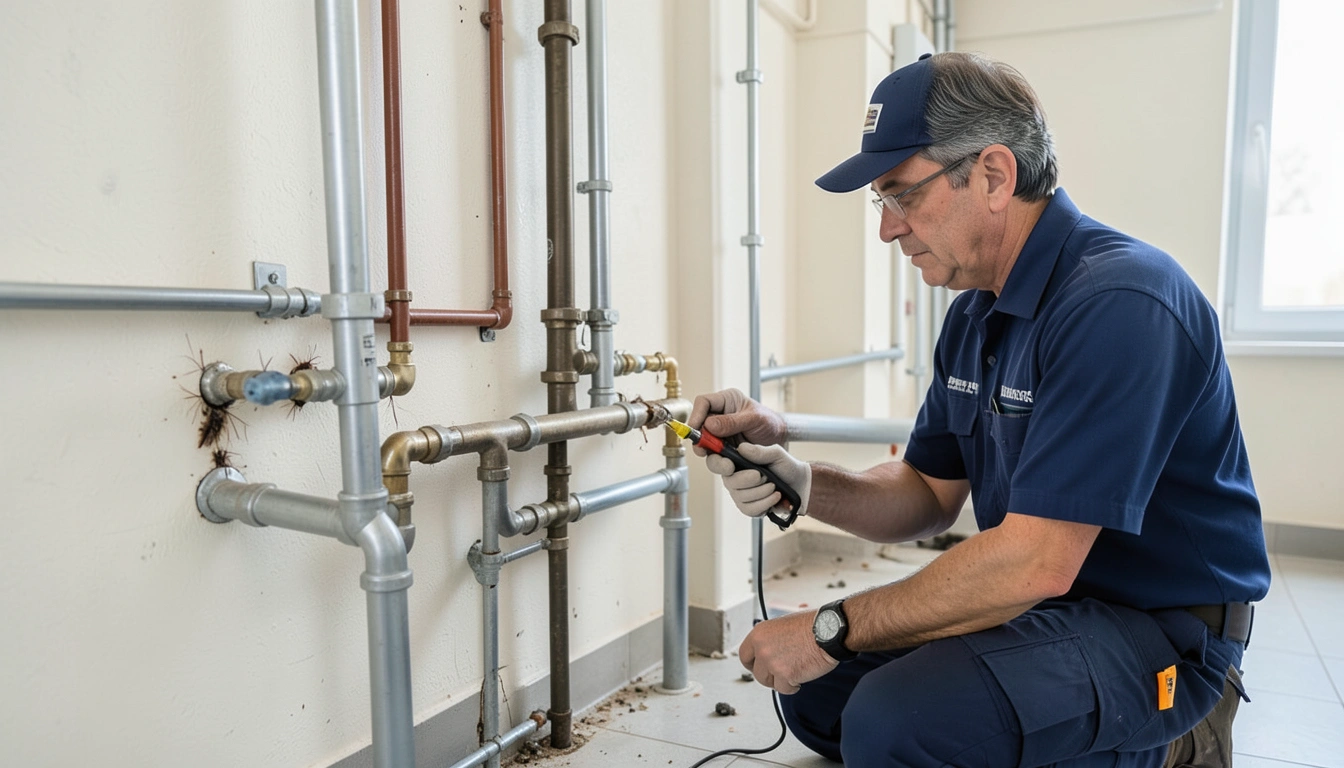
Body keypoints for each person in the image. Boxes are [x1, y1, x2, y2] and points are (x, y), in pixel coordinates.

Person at [688, 52, 1269, 767]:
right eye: (881, 202)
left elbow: (1034, 562)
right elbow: (927, 494)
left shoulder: (1120, 302)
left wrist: (827, 626)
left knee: (894, 719)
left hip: (1159, 634)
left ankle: (1182, 740)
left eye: (902, 194)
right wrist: (803, 482)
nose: (888, 230)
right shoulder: (976, 315)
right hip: (1045, 610)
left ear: (994, 176)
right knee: (818, 698)